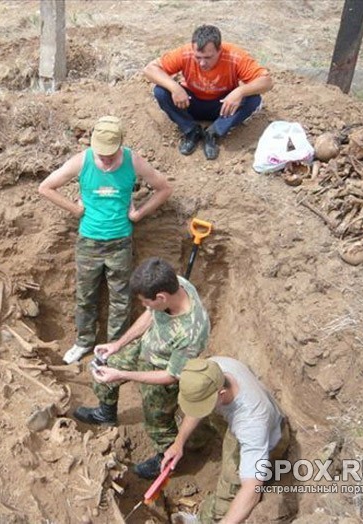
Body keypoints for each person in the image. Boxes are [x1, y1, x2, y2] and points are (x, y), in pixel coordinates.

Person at [39, 117, 172, 364]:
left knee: (121, 298)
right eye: (101, 154)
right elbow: (45, 187)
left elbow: (164, 188)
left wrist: (138, 213)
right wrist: (75, 210)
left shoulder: (132, 161)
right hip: (89, 241)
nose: (105, 159)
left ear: (120, 145)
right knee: (86, 295)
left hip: (120, 241)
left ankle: (114, 348)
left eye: (110, 154)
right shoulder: (82, 161)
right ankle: (83, 342)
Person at [73, 257, 210, 479]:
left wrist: (122, 375)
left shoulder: (191, 332)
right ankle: (105, 414)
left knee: (158, 422)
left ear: (161, 297)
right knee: (107, 365)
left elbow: (172, 375)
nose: (145, 307)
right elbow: (150, 315)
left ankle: (166, 458)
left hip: (162, 369)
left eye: (147, 302)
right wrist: (117, 345)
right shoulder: (175, 284)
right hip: (147, 345)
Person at [161, 358, 290, 524]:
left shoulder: (251, 423)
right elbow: (197, 405)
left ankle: (208, 519)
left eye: (204, 404)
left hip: (269, 439)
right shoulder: (211, 370)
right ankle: (197, 447)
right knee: (188, 414)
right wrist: (179, 443)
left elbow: (252, 489)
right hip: (238, 418)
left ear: (221, 393)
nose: (198, 409)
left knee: (229, 490)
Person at [144, 24, 273, 160]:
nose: (202, 63)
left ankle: (213, 133)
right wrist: (174, 87)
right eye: (198, 57)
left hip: (223, 106)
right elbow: (149, 69)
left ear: (219, 50)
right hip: (190, 102)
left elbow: (267, 81)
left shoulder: (235, 56)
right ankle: (191, 130)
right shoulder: (185, 53)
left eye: (208, 57)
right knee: (161, 91)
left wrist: (240, 91)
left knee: (253, 99)